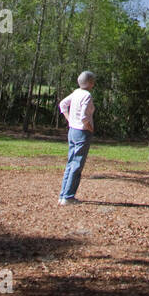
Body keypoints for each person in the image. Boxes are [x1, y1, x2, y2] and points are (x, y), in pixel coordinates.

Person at [57, 71, 96, 204]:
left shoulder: (76, 93)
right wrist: (89, 127)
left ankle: (63, 195)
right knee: (77, 164)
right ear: (90, 82)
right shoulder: (87, 95)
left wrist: (69, 120)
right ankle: (68, 196)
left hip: (72, 131)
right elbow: (84, 117)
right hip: (82, 132)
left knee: (71, 162)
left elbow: (62, 104)